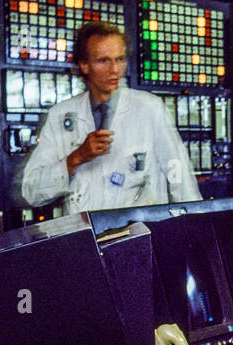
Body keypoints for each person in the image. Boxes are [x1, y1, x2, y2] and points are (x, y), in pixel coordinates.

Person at [13, 21, 202, 214]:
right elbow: (31, 191)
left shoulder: (150, 108)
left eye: (120, 59)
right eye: (103, 61)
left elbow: (180, 177)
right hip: (87, 237)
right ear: (84, 65)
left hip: (139, 233)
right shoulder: (60, 115)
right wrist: (75, 158)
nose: (115, 70)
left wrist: (193, 227)